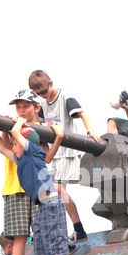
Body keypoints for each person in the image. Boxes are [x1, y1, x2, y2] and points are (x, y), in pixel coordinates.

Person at [0, 115, 69, 255]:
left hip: (50, 203)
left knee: (52, 244)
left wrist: (19, 120)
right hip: (41, 205)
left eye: (16, 144)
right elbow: (2, 148)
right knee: (40, 244)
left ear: (25, 144)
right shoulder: (21, 160)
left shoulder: (33, 152)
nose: (13, 147)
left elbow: (17, 132)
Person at [28, 69, 102, 243]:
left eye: (44, 92)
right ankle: (63, 231)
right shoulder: (42, 105)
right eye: (38, 94)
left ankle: (78, 229)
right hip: (53, 154)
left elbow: (82, 114)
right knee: (47, 193)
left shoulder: (64, 97)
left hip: (68, 152)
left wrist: (90, 131)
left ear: (51, 84)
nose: (42, 96)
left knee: (58, 190)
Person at [0, 89, 43, 255]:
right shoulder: (12, 126)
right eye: (18, 107)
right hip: (15, 187)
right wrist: (0, 125)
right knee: (19, 235)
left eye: (26, 106)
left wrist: (17, 123)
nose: (21, 110)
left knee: (41, 231)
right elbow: (3, 147)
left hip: (35, 186)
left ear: (36, 107)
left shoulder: (38, 130)